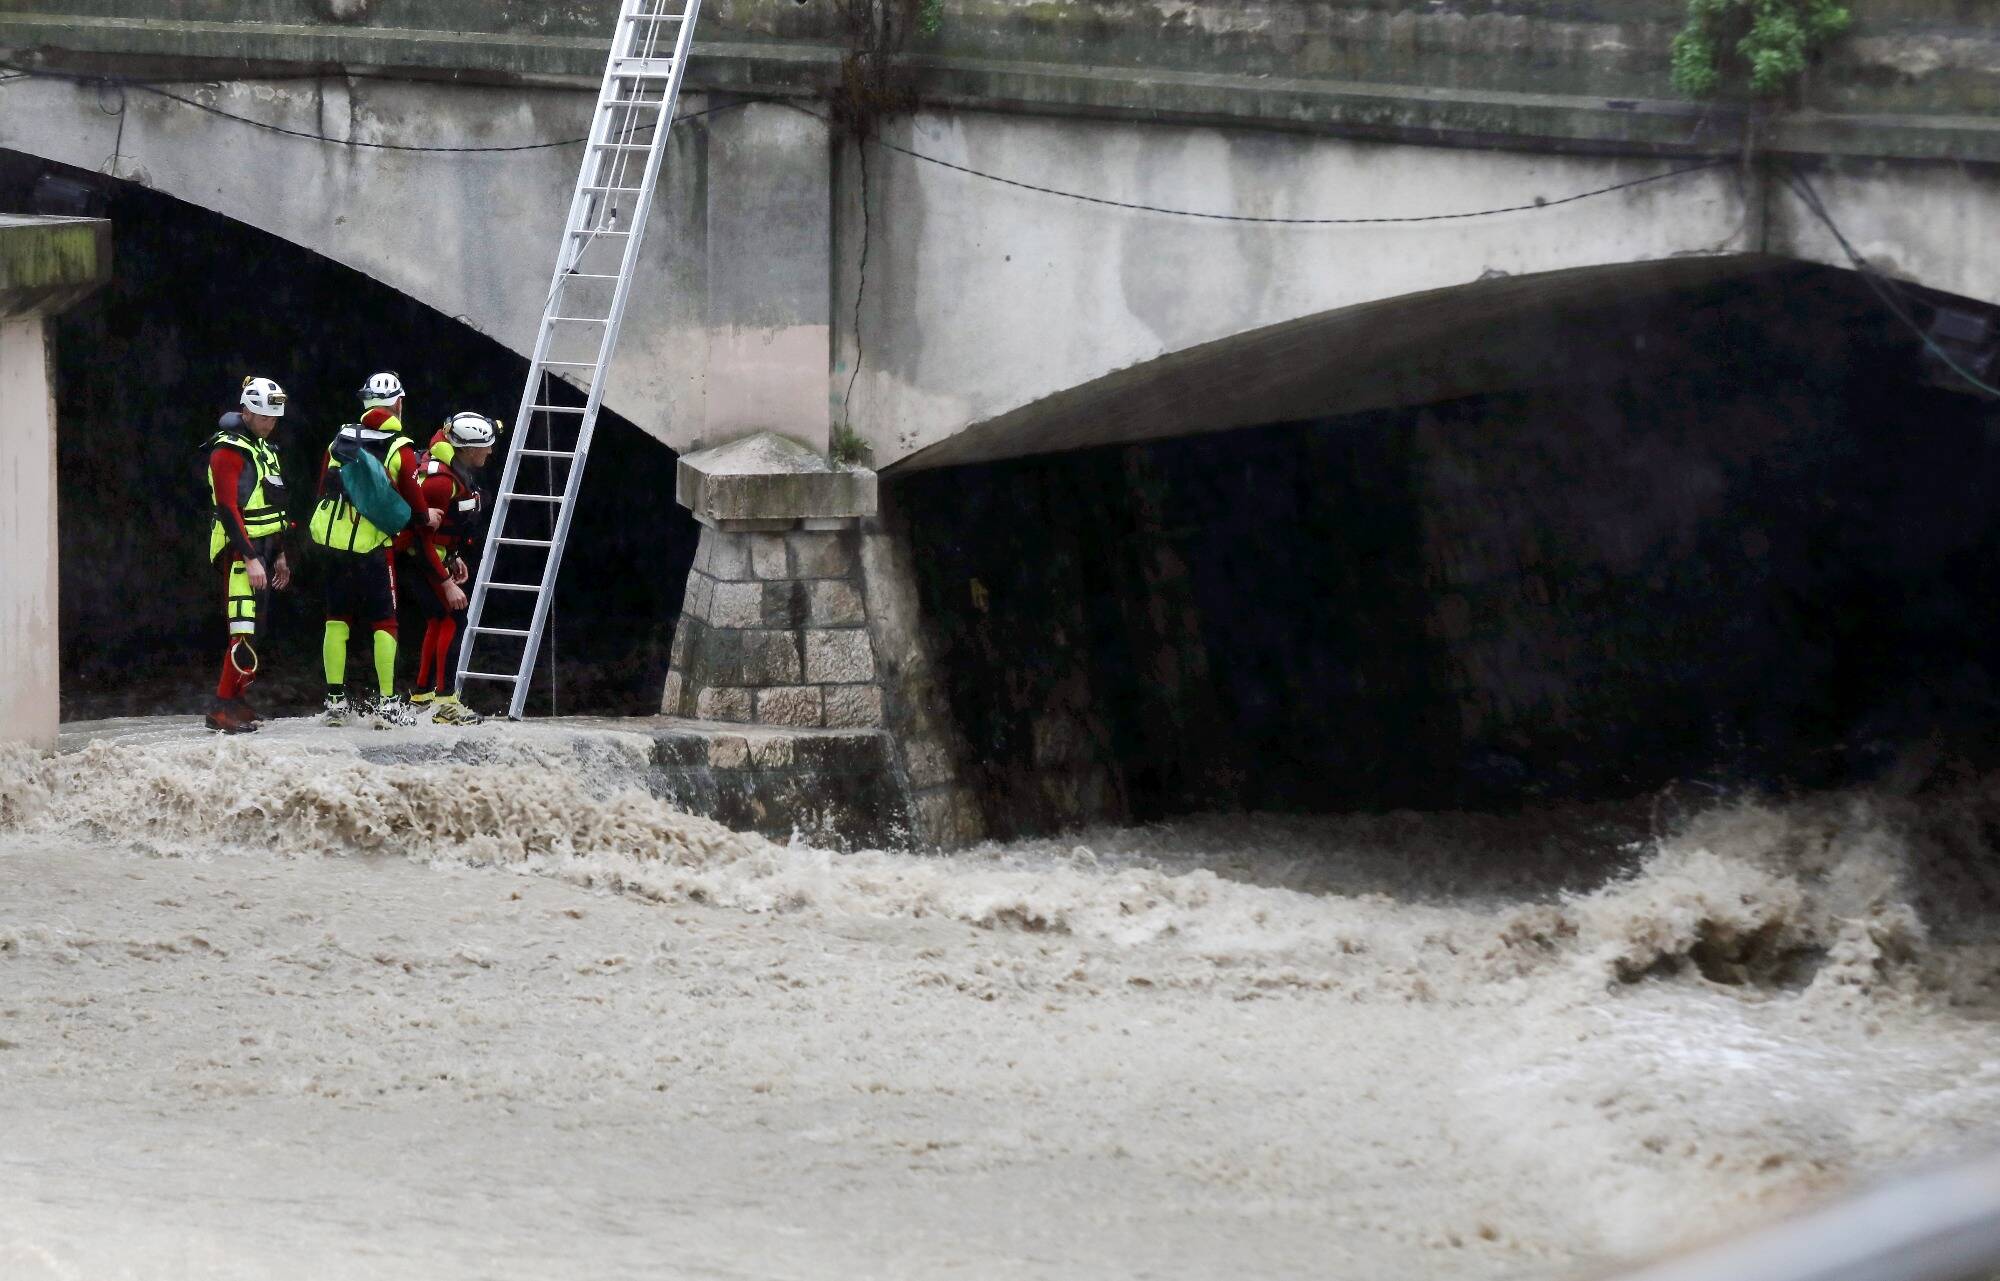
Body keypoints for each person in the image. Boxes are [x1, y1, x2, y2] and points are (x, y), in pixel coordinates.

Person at [307, 371, 440, 729]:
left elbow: (323, 488)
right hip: (373, 549)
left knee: (336, 620)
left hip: (334, 545)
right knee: (385, 622)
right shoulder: (401, 447)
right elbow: (415, 505)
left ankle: (335, 701)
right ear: (398, 403)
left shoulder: (341, 439)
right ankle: (387, 702)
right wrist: (430, 517)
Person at [201, 377, 293, 734]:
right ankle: (222, 707)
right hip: (240, 551)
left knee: (257, 631)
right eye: (263, 416)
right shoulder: (228, 451)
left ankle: (237, 701)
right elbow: (227, 507)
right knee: (242, 630)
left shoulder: (264, 449)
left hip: (267, 549)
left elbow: (276, 505)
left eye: (274, 417)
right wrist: (250, 556)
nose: (270, 423)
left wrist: (280, 554)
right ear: (246, 412)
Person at [410, 412, 498, 725]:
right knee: (454, 617)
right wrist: (446, 580)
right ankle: (446, 702)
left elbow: (447, 527)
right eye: (485, 446)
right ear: (467, 449)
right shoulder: (439, 481)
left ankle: (422, 694)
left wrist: (453, 555)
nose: (490, 451)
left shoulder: (451, 469)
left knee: (439, 618)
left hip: (435, 555)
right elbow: (421, 540)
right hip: (422, 558)